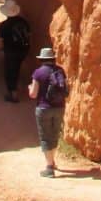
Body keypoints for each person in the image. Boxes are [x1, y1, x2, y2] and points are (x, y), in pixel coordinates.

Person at [28, 47, 67, 178]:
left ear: (42, 59)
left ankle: (49, 167)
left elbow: (33, 94)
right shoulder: (60, 71)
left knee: (45, 137)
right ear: (53, 58)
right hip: (59, 107)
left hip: (43, 108)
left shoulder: (38, 73)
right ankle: (52, 161)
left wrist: (29, 88)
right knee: (54, 135)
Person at [0, 0, 30, 102]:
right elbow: (29, 35)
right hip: (23, 50)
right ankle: (15, 89)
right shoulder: (23, 21)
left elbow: (0, 40)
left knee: (9, 71)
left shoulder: (4, 25)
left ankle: (13, 94)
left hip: (10, 51)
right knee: (16, 68)